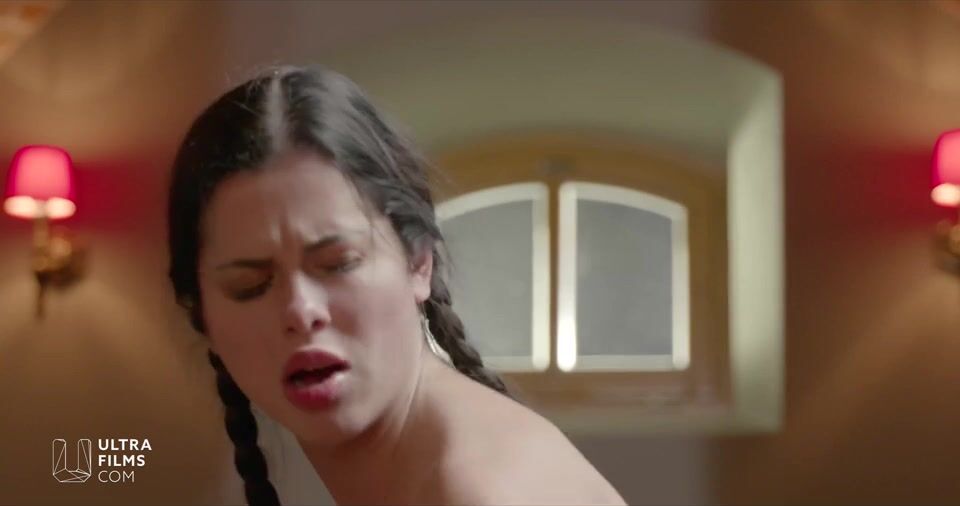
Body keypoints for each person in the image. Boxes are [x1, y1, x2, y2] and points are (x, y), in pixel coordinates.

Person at [166, 65, 626, 506]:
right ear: (200, 312)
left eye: (338, 264)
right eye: (248, 285)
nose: (300, 310)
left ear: (419, 261)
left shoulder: (477, 491)